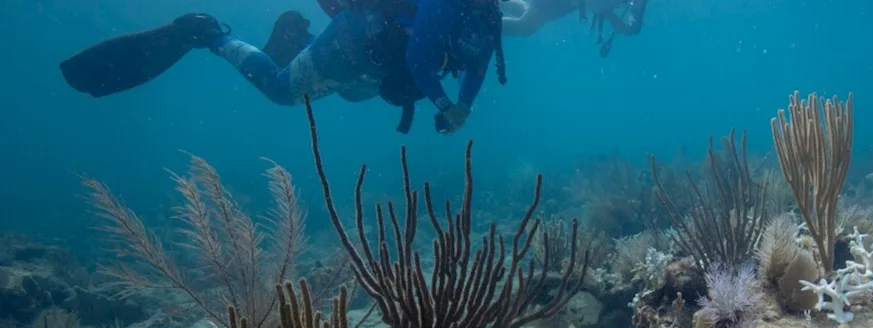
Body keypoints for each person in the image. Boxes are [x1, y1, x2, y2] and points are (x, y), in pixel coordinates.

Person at [60, 0, 508, 134]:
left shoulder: (488, 19)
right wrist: (444, 103)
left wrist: (462, 106)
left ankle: (299, 42)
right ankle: (210, 34)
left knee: (353, 95)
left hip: (373, 71)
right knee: (281, 91)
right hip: (348, 45)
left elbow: (480, 65)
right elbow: (416, 58)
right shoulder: (449, 3)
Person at [502, 0, 647, 56]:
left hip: (569, 4)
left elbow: (633, 25)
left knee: (531, 14)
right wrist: (612, 17)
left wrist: (630, 26)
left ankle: (494, 5)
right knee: (526, 26)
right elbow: (597, 5)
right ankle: (487, 22)